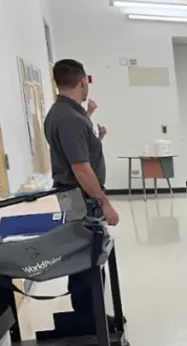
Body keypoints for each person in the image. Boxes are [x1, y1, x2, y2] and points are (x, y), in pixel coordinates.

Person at [43, 58, 120, 327]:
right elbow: (81, 169)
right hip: (80, 196)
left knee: (87, 255)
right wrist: (105, 202)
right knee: (87, 256)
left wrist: (92, 131)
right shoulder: (69, 119)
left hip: (76, 194)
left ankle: (89, 314)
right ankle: (88, 318)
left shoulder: (66, 114)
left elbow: (76, 150)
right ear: (81, 81)